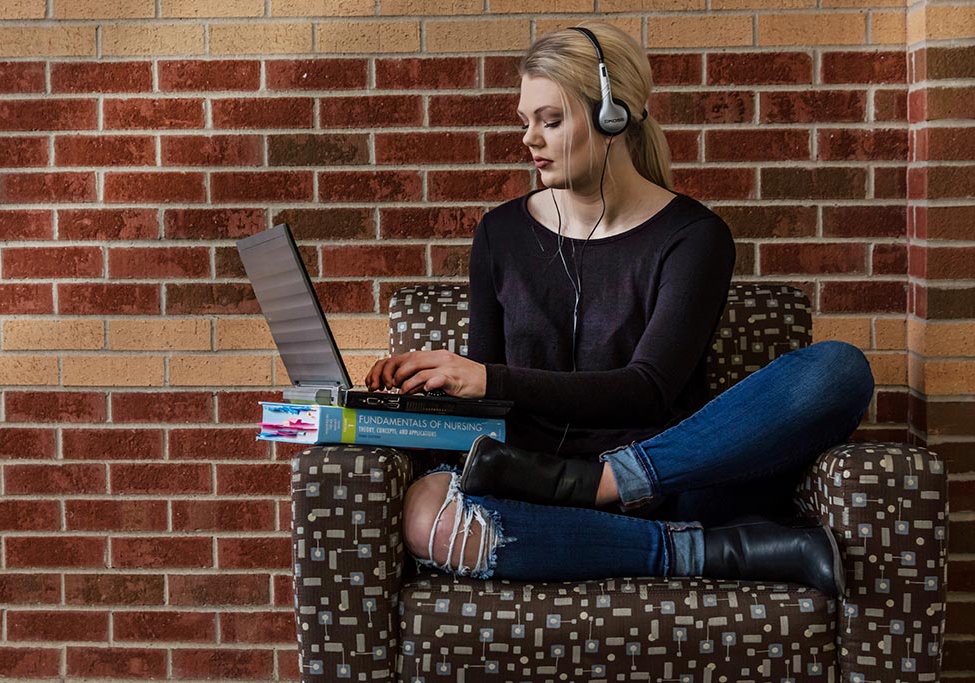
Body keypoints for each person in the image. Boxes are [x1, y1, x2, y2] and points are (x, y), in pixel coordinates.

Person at [364, 22, 873, 596]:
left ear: (612, 115)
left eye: (550, 121)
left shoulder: (694, 237)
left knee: (840, 370)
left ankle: (610, 485)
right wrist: (395, 409)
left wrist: (596, 472)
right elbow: (494, 406)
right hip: (532, 484)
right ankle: (695, 548)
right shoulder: (499, 234)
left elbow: (649, 388)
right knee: (426, 512)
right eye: (525, 122)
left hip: (673, 482)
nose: (530, 139)